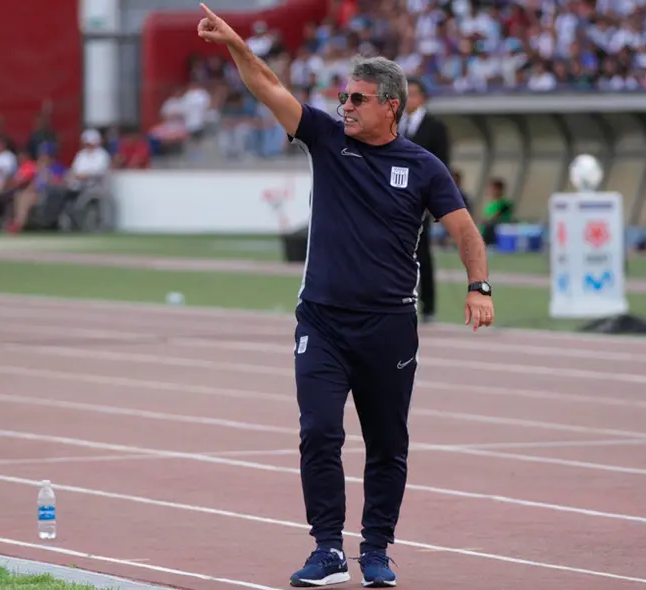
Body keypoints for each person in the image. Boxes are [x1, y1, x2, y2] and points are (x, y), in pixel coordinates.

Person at [197, 4, 494, 588]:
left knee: (387, 445)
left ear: (391, 106)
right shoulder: (327, 140)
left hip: (388, 327)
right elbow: (268, 87)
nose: (345, 107)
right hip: (323, 323)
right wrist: (236, 44)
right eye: (344, 96)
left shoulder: (424, 166)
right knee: (319, 432)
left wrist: (478, 286)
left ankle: (377, 549)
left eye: (358, 99)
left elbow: (464, 231)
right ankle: (328, 550)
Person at [400, 78, 450, 324]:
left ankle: (428, 305)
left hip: (421, 199)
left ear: (424, 98)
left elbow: (441, 167)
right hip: (397, 198)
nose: (410, 99)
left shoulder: (435, 127)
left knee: (422, 253)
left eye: (414, 94)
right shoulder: (398, 126)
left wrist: (435, 201)